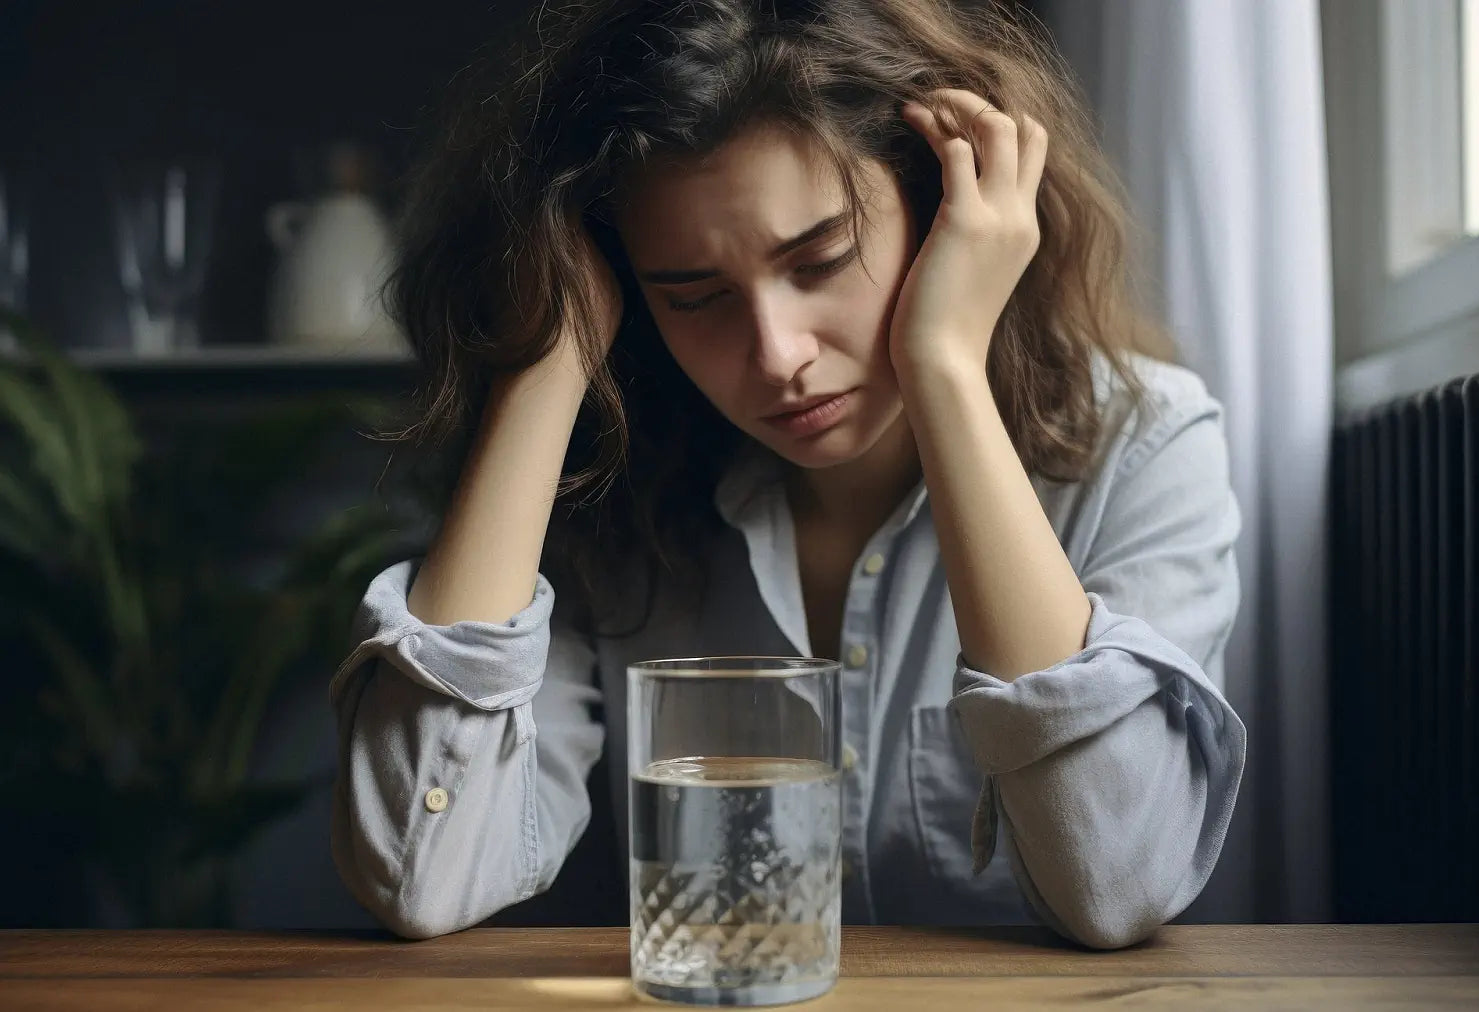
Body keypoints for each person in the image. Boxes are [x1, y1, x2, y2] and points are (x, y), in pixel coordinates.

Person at [329, 0, 1246, 949]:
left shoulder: (1143, 445)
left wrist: (944, 366)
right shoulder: (607, 489)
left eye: (822, 261)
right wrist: (549, 359)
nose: (775, 355)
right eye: (697, 298)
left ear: (943, 212)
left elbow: (1119, 886)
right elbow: (422, 875)